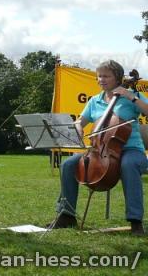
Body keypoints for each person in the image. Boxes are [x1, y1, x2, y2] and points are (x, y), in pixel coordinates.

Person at [49, 60, 148, 235]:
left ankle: (135, 221)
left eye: (106, 76)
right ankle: (66, 215)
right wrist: (78, 127)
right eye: (99, 76)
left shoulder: (131, 95)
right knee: (68, 164)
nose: (101, 79)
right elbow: (81, 121)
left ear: (118, 78)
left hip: (131, 149)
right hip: (100, 150)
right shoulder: (95, 101)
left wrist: (130, 96)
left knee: (128, 165)